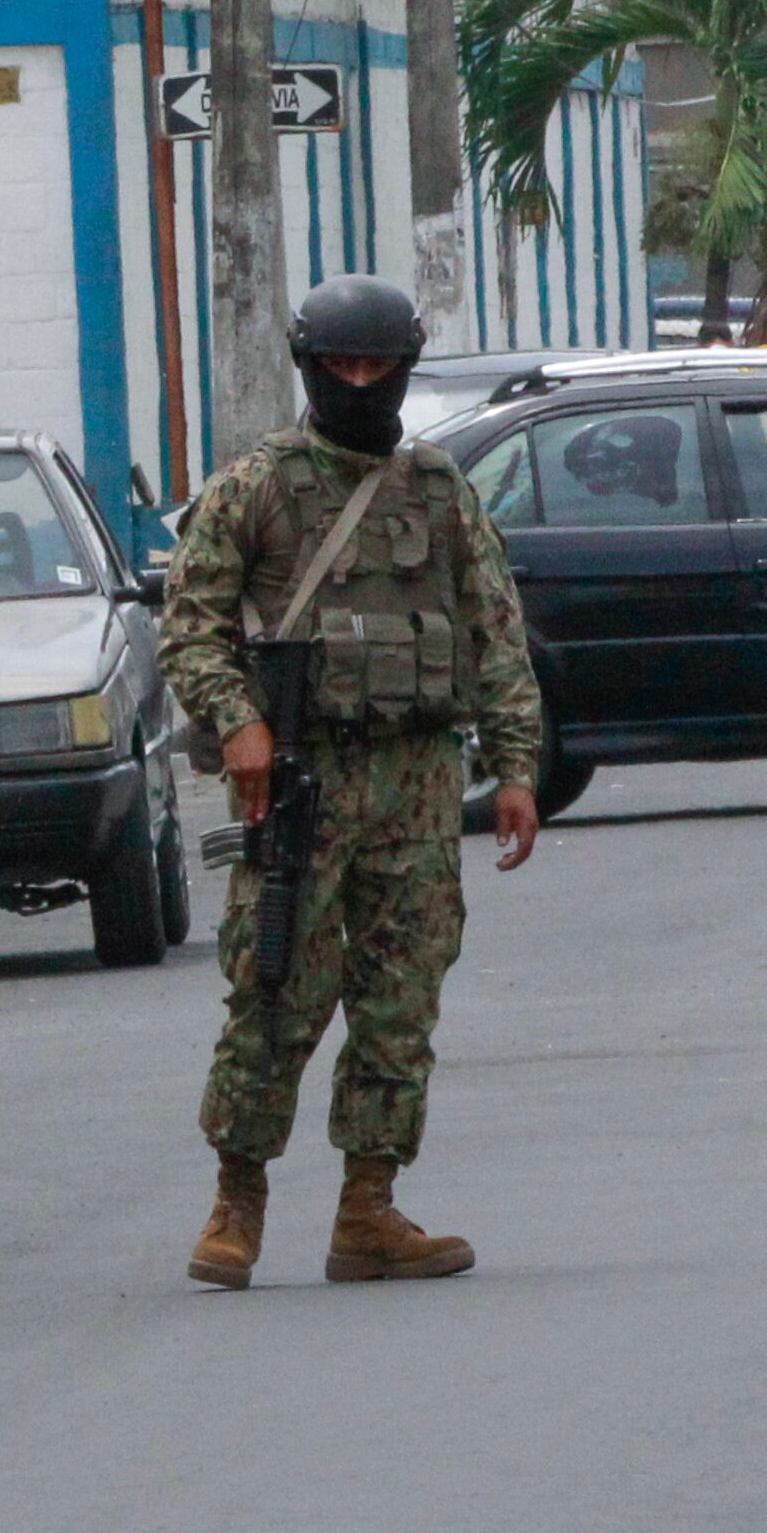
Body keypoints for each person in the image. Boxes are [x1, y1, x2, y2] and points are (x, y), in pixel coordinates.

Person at [159, 273, 543, 1291]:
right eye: (343, 365)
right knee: (275, 988)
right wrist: (236, 718)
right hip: (303, 783)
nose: (361, 380)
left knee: (398, 1001)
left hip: (417, 786)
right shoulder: (259, 485)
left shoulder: (438, 488)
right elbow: (189, 623)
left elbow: (495, 628)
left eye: (378, 365)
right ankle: (236, 1203)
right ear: (312, 368)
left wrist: (514, 765)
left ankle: (368, 1209)